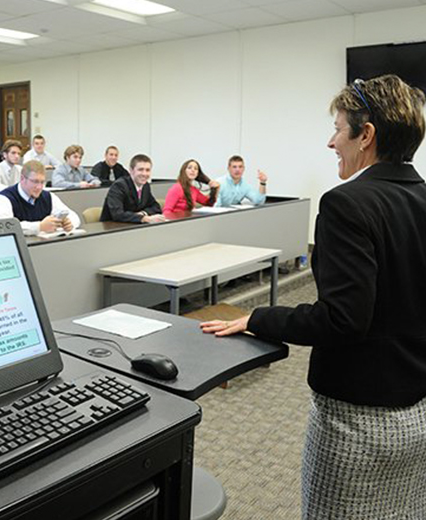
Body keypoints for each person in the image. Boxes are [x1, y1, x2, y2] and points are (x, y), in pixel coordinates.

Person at [201, 75, 426, 519]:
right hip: (416, 413)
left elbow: (342, 319)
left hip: (358, 424)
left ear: (367, 136)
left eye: (339, 129)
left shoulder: (348, 204)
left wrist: (259, 318)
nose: (330, 142)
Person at [0, 160, 80, 236]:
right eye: (35, 182)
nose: (39, 187)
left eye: (42, 182)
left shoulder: (48, 196)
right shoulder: (3, 199)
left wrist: (69, 223)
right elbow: (4, 227)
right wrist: (39, 227)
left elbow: (74, 216)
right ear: (22, 179)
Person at [100, 154, 164, 224]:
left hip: (132, 226)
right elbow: (117, 214)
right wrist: (144, 218)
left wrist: (143, 213)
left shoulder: (145, 186)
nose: (144, 174)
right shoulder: (119, 186)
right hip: (111, 228)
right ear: (131, 170)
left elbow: (156, 207)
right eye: (140, 170)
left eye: (147, 170)